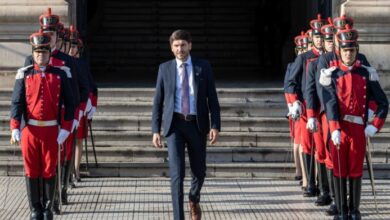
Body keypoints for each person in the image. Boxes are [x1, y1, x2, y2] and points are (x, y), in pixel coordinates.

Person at [320, 25, 388, 220]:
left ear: (356, 50)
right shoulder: (331, 75)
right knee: (340, 169)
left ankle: (354, 209)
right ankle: (341, 210)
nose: (348, 54)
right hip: (339, 128)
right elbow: (330, 102)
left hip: (359, 128)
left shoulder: (366, 73)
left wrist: (374, 125)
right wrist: (334, 128)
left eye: (351, 50)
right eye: (345, 50)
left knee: (356, 170)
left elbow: (383, 103)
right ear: (339, 50)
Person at [151, 29, 221, 220]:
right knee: (176, 174)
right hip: (174, 126)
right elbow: (158, 101)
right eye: (176, 46)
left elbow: (212, 99)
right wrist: (155, 129)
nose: (179, 49)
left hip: (197, 125)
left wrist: (215, 125)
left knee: (200, 170)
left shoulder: (203, 67)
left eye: (183, 45)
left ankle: (194, 197)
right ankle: (178, 217)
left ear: (190, 45)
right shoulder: (164, 68)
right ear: (171, 48)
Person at [10, 29, 74, 220]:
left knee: (49, 168)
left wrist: (66, 128)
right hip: (30, 129)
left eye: (44, 52)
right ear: (33, 53)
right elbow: (17, 102)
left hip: (51, 129)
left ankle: (47, 207)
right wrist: (15, 126)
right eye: (37, 52)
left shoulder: (61, 74)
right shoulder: (25, 75)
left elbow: (70, 103)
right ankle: (34, 208)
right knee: (32, 169)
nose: (40, 56)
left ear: (49, 54)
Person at [285, 14, 326, 197]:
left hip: (325, 109)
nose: (319, 40)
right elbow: (291, 82)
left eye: (322, 37)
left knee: (323, 147)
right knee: (307, 145)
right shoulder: (304, 58)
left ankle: (324, 185)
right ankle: (309, 182)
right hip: (307, 108)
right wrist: (294, 103)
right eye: (316, 37)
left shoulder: (332, 57)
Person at [304, 17, 334, 207]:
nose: (330, 43)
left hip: (342, 116)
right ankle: (325, 190)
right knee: (322, 152)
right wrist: (311, 115)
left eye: (333, 40)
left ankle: (340, 194)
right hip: (322, 112)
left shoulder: (352, 60)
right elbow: (310, 90)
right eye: (328, 40)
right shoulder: (315, 63)